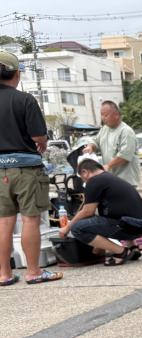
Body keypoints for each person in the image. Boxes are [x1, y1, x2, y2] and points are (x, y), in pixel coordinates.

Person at [0, 50, 63, 285]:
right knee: (30, 219)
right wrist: (42, 142)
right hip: (26, 169)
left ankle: (4, 274)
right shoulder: (24, 100)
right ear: (16, 74)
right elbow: (38, 136)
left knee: (4, 221)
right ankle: (34, 271)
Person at [60, 155, 142, 266]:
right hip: (141, 227)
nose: (83, 181)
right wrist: (98, 245)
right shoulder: (111, 178)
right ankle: (132, 247)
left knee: (77, 228)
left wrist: (67, 228)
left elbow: (87, 211)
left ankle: (121, 252)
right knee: (105, 218)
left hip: (129, 228)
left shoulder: (94, 181)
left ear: (85, 172)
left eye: (82, 177)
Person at [82, 100, 140, 187]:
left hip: (126, 181)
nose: (103, 118)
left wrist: (107, 166)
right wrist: (91, 146)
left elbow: (124, 156)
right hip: (111, 179)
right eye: (101, 115)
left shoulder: (126, 131)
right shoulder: (104, 129)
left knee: (122, 200)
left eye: (106, 115)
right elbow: (95, 141)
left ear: (117, 115)